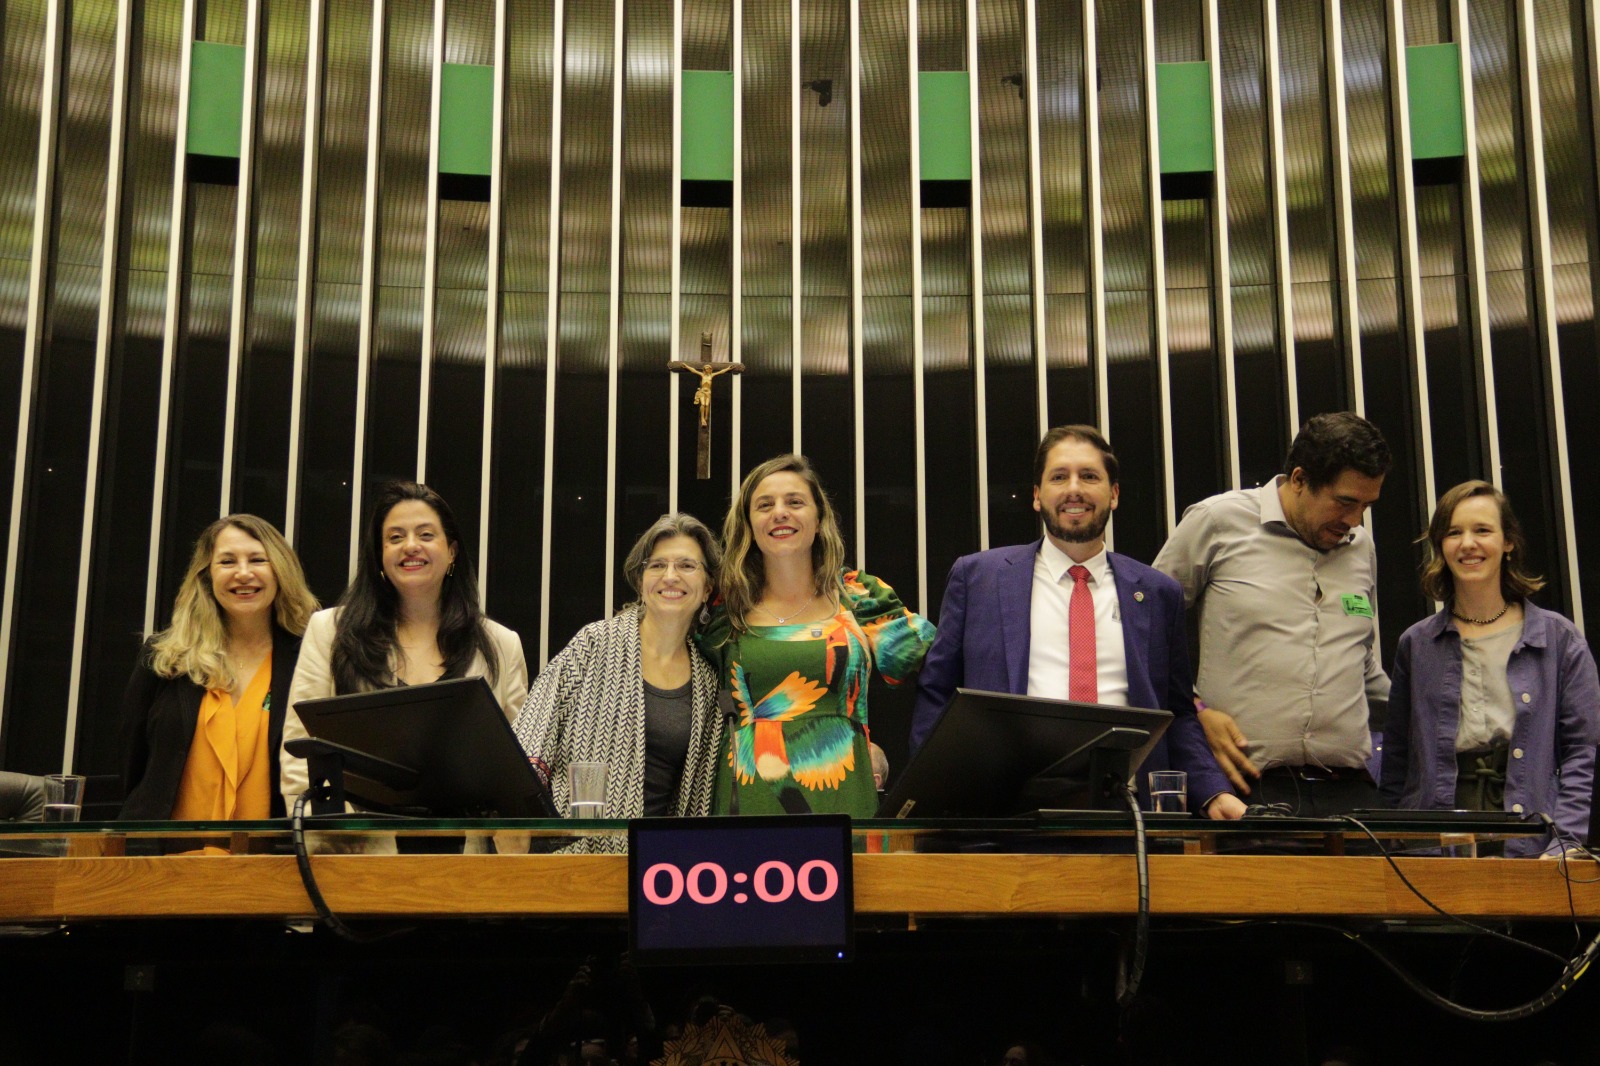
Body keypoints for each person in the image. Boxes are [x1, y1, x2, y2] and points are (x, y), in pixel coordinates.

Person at [910, 426, 1243, 818]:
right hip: (1005, 815)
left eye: (1089, 476)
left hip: (1128, 813)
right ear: (1036, 496)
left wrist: (1213, 794)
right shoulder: (978, 578)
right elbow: (937, 694)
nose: (1074, 489)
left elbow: (1178, 712)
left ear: (1114, 494)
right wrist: (929, 797)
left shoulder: (1157, 593)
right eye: (1058, 476)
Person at [1153, 412, 1391, 815]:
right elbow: (1147, 632)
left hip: (1351, 793)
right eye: (1345, 502)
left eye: (1367, 506)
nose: (1354, 521)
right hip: (1246, 790)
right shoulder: (1217, 522)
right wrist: (1196, 714)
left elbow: (1360, 660)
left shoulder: (1360, 546)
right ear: (1299, 479)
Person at [700, 454, 935, 818]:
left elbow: (941, 665)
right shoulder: (725, 607)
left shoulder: (859, 596)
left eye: (795, 502)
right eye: (765, 505)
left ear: (819, 518)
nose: (780, 512)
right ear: (748, 523)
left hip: (845, 795)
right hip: (747, 798)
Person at [1379, 481, 1599, 856]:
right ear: (1440, 545)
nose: (1468, 544)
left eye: (1482, 530)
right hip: (1432, 846)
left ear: (1508, 541)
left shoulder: (1559, 639)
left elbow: (1583, 753)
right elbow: (1397, 761)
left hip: (1533, 840)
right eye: (1453, 532)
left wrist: (1565, 841)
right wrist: (1392, 843)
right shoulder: (1415, 644)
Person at [279, 481, 528, 809]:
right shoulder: (330, 632)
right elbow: (300, 750)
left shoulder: (501, 645)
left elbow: (519, 765)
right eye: (395, 537)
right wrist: (331, 841)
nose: (411, 546)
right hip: (357, 851)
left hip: (467, 852)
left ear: (452, 551)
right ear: (380, 556)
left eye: (426, 535)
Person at [514, 513, 725, 819]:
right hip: (573, 850)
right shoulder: (594, 644)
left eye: (686, 565)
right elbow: (531, 734)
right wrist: (519, 820)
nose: (670, 576)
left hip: (658, 858)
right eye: (657, 565)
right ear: (641, 583)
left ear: (707, 588)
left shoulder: (708, 679)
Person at [120, 515, 319, 820]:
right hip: (161, 860)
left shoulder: (310, 658)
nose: (243, 573)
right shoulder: (164, 657)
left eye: (257, 560)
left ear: (280, 571)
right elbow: (132, 765)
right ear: (206, 576)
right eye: (227, 562)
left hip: (270, 860)